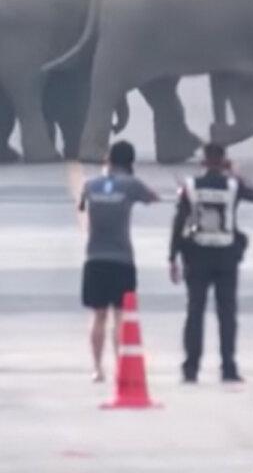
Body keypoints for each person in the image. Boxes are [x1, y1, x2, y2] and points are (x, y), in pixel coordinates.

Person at [169, 143, 253, 383]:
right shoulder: (233, 185)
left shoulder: (190, 187)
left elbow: (178, 223)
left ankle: (191, 369)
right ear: (223, 161)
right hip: (226, 257)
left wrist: (172, 257)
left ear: (203, 161)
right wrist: (236, 172)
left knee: (194, 312)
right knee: (227, 315)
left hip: (196, 256)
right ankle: (228, 368)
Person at [79, 140, 158, 382]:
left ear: (108, 160)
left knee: (98, 316)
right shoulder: (131, 185)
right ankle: (121, 366)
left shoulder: (90, 185)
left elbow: (81, 205)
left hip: (95, 258)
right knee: (121, 316)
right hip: (122, 259)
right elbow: (153, 197)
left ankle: (97, 368)